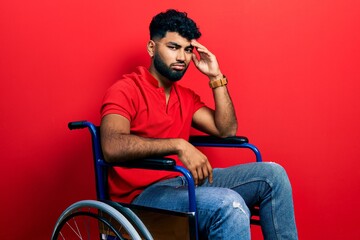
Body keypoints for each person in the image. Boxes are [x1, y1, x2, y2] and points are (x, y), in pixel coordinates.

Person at [100, 9, 298, 239]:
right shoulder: (125, 90)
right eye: (173, 47)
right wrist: (178, 145)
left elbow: (226, 129)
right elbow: (111, 146)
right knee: (229, 204)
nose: (182, 58)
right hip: (142, 197)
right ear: (152, 48)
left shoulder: (185, 97)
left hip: (184, 183)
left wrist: (216, 77)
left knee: (273, 175)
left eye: (187, 50)